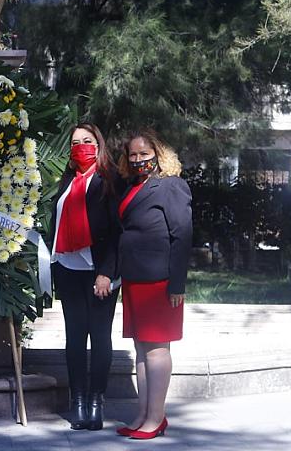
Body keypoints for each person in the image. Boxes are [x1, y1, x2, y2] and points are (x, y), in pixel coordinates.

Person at [114, 130, 192, 440]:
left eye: (144, 154)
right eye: (132, 155)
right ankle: (144, 414)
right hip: (135, 280)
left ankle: (156, 418)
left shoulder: (172, 186)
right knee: (142, 350)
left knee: (158, 350)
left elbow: (182, 235)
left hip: (161, 281)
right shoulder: (133, 186)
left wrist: (177, 284)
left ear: (158, 154)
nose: (138, 160)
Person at [49, 123, 120, 431]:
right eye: (75, 142)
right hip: (68, 271)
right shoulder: (67, 180)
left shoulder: (109, 181)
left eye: (87, 141)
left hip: (99, 272)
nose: (81, 147)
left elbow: (118, 233)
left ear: (99, 144)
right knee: (75, 338)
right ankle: (77, 400)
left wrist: (106, 273)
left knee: (100, 336)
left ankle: (96, 399)